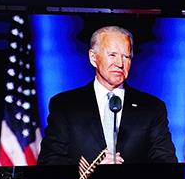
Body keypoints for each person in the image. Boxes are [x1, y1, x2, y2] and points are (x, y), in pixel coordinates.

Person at [38, 25, 177, 164]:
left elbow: (166, 162)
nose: (120, 63)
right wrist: (91, 171)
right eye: (112, 55)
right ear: (93, 58)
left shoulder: (152, 107)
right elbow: (49, 161)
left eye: (126, 57)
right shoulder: (65, 105)